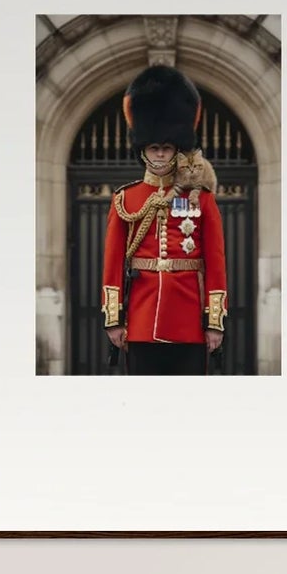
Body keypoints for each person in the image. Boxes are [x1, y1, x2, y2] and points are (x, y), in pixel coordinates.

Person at [100, 64, 227, 376]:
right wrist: (114, 319)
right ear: (143, 149)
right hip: (141, 320)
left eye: (165, 148)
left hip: (189, 319)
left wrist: (214, 322)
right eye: (154, 148)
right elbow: (113, 262)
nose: (159, 155)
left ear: (176, 150)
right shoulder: (125, 200)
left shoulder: (202, 199)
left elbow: (215, 261)